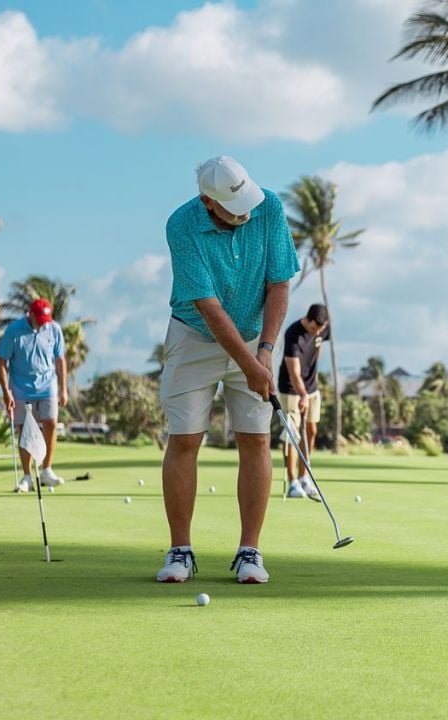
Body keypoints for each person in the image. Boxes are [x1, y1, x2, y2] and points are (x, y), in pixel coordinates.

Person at [155, 156, 299, 585]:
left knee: (256, 439)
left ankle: (249, 552)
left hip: (256, 335)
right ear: (207, 202)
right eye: (235, 208)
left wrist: (267, 352)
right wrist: (249, 365)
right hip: (194, 335)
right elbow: (208, 306)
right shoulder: (180, 225)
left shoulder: (269, 207)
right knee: (185, 439)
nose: (247, 213)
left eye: (248, 202)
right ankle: (180, 550)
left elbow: (279, 284)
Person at [0, 298, 67, 492]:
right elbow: (2, 362)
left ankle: (47, 470)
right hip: (20, 386)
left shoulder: (53, 328)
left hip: (48, 384)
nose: (44, 323)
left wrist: (63, 388)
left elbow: (60, 359)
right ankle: (27, 477)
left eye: (47, 319)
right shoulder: (14, 330)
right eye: (40, 319)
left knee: (51, 422)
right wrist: (6, 392)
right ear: (31, 315)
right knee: (25, 429)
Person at [278, 303, 330, 501]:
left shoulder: (323, 328)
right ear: (307, 320)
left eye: (320, 330)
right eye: (313, 328)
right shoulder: (294, 334)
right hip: (291, 390)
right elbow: (293, 371)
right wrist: (302, 395)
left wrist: (309, 391)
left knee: (311, 431)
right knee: (292, 435)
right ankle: (293, 484)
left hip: (312, 389)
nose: (316, 332)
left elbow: (319, 343)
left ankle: (304, 477)